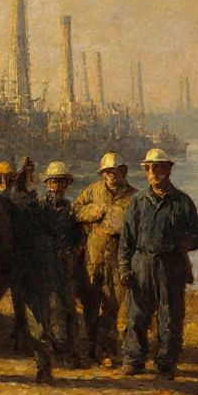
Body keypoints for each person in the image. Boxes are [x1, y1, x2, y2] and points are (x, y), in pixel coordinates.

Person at [118, 148, 198, 380]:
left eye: (157, 167)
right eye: (148, 168)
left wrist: (183, 244)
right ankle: (134, 360)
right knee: (137, 316)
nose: (152, 172)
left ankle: (166, 363)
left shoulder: (182, 202)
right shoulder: (137, 202)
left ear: (168, 169)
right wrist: (125, 268)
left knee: (170, 316)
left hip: (171, 266)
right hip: (142, 264)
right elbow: (126, 241)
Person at [72, 151, 136, 368]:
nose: (110, 176)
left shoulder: (135, 198)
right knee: (90, 304)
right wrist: (93, 212)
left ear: (124, 171)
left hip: (118, 260)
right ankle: (88, 349)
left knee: (112, 306)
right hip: (93, 257)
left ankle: (106, 351)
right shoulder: (92, 191)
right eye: (106, 172)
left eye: (114, 171)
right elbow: (76, 211)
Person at [0, 158, 56, 383]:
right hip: (24, 263)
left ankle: (43, 366)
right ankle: (30, 353)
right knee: (24, 312)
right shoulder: (17, 201)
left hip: (32, 265)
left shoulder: (24, 201)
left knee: (36, 317)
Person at [42, 161, 83, 369]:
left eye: (63, 182)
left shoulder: (68, 207)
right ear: (48, 183)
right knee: (55, 308)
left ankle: (69, 351)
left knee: (68, 307)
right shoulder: (42, 207)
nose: (59, 186)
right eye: (55, 182)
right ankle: (60, 353)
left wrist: (74, 251)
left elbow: (76, 236)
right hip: (48, 264)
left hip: (65, 264)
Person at [0, 159, 30, 355]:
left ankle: (22, 337)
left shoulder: (15, 197)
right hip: (5, 252)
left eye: (9, 177)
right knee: (18, 300)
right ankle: (21, 337)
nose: (7, 180)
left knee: (21, 300)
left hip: (18, 252)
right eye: (3, 177)